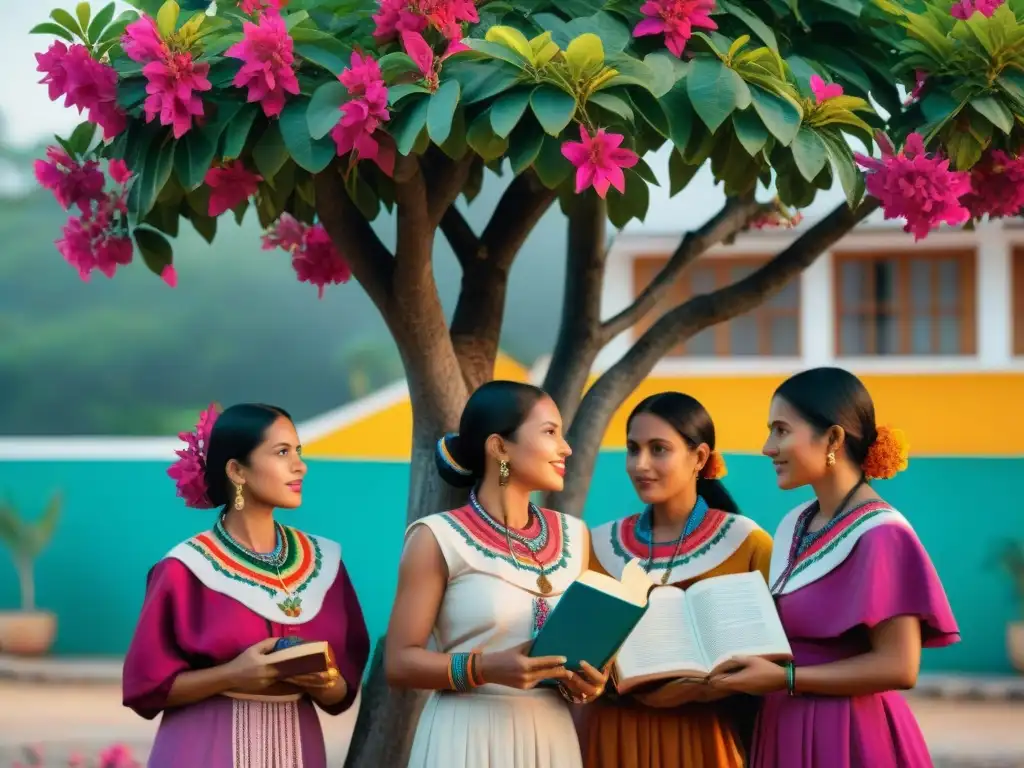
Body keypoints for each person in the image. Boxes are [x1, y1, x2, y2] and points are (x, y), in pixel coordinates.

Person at [709, 367, 960, 768]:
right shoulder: (795, 523)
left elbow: (900, 666)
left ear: (833, 438)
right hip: (783, 724)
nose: (767, 447)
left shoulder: (882, 534)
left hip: (849, 733)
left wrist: (788, 679)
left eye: (781, 430)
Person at [122, 403, 370, 768]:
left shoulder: (325, 563)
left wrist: (325, 683)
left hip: (298, 748)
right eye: (282, 452)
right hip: (204, 747)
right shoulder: (184, 569)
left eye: (298, 452)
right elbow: (145, 688)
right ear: (237, 470)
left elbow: (340, 696)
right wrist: (232, 675)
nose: (300, 466)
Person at [386, 380, 610, 768]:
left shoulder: (576, 535)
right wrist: (483, 667)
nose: (566, 448)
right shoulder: (436, 537)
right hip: (466, 735)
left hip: (551, 734)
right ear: (499, 446)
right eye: (550, 432)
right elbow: (399, 663)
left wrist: (589, 683)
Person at [579, 392, 773, 768]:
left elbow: (774, 664)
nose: (641, 464)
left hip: (706, 737)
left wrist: (707, 686)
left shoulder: (746, 543)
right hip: (614, 736)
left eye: (659, 449)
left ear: (699, 457)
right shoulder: (597, 545)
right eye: (633, 449)